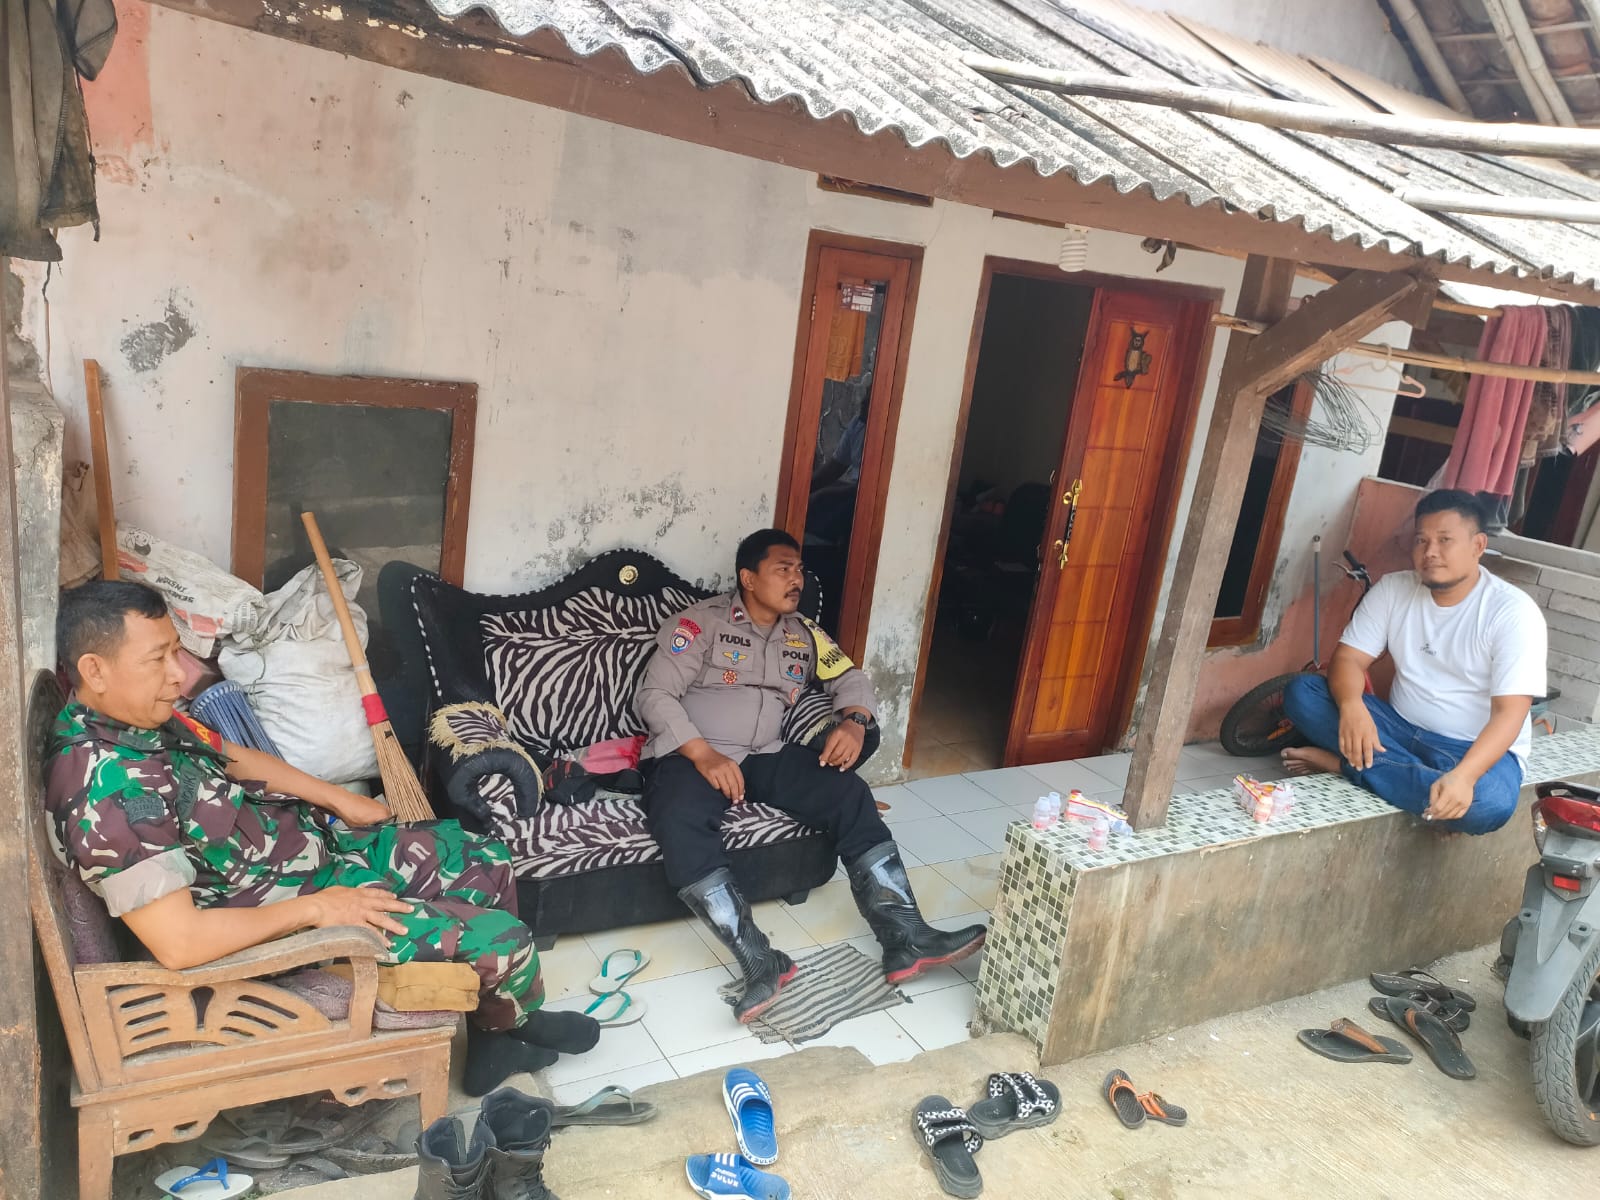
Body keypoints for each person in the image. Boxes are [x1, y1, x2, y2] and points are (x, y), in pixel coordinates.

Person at [45, 580, 597, 1096]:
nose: (179, 675)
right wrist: (319, 910)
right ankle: (509, 1013)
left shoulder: (137, 721)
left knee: (486, 859)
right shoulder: (108, 791)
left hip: (315, 859)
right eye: (157, 658)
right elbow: (181, 943)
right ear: (95, 669)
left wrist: (336, 798)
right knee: (503, 940)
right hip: (284, 923)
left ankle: (495, 1035)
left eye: (176, 652)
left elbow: (231, 757)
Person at [636, 529, 986, 1022]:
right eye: (783, 569)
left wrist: (855, 721)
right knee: (678, 816)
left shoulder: (804, 634)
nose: (796, 579)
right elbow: (654, 695)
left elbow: (850, 677)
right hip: (693, 756)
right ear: (748, 578)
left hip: (766, 755)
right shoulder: (701, 623)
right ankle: (761, 961)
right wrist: (704, 755)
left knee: (848, 793)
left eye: (799, 569)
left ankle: (905, 937)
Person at [1280, 489, 1548, 834]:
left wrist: (1465, 777)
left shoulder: (1512, 612)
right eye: (1422, 540)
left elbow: (1510, 713)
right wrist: (1351, 707)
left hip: (1469, 749)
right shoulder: (1393, 590)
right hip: (1396, 728)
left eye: (1445, 540)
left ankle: (1345, 766)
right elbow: (1348, 659)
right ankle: (1407, 778)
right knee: (1303, 693)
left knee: (1487, 804)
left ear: (1478, 546)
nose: (1430, 551)